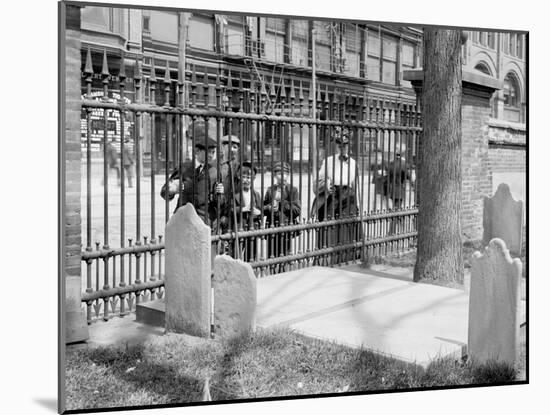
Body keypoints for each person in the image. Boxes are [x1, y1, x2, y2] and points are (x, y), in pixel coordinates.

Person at [311, 126, 361, 262]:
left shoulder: (353, 163)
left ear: (349, 145)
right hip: (332, 195)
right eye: (340, 144)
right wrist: (326, 184)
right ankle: (326, 258)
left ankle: (345, 258)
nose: (343, 147)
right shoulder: (328, 161)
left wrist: (356, 204)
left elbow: (355, 184)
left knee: (346, 227)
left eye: (345, 145)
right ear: (337, 145)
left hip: (348, 196)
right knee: (330, 227)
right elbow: (317, 182)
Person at [160, 128, 224, 225]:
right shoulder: (184, 168)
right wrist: (171, 190)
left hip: (204, 220)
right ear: (197, 151)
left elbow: (219, 202)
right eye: (208, 151)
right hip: (183, 218)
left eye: (213, 152)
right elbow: (164, 192)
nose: (211, 155)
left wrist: (220, 193)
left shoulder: (214, 171)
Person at [222, 160, 262, 261]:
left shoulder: (256, 194)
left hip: (252, 229)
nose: (246, 180)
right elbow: (229, 209)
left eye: (248, 178)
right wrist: (243, 209)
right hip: (238, 229)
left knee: (251, 256)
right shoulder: (234, 194)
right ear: (239, 177)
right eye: (243, 177)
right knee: (236, 256)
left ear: (253, 178)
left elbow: (261, 209)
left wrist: (259, 212)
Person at [263, 161, 301, 268]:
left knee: (284, 256)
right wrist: (269, 207)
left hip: (286, 228)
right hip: (272, 228)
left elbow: (297, 210)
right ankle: (272, 272)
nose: (282, 176)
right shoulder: (271, 190)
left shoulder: (292, 190)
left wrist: (281, 205)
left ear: (288, 175)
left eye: (285, 173)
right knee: (271, 256)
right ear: (275, 175)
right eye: (279, 173)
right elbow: (263, 208)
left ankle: (283, 272)